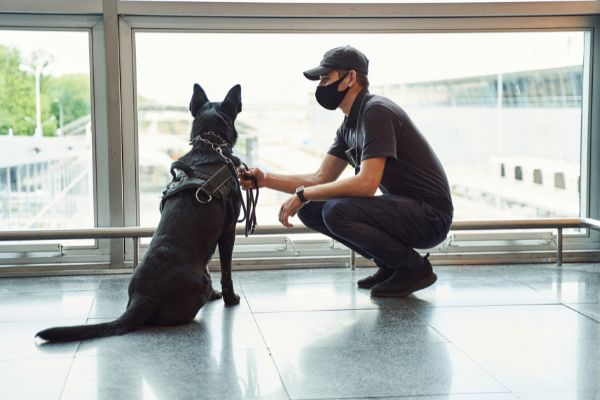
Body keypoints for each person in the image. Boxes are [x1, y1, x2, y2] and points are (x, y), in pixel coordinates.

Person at [240, 45, 453, 297]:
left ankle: (412, 268)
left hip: (430, 217)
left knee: (334, 209)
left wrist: (302, 194)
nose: (321, 86)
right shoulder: (349, 125)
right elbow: (319, 178)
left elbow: (366, 184)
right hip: (405, 210)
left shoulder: (377, 112)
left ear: (350, 78)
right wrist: (266, 180)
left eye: (326, 78)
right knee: (311, 208)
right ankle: (390, 264)